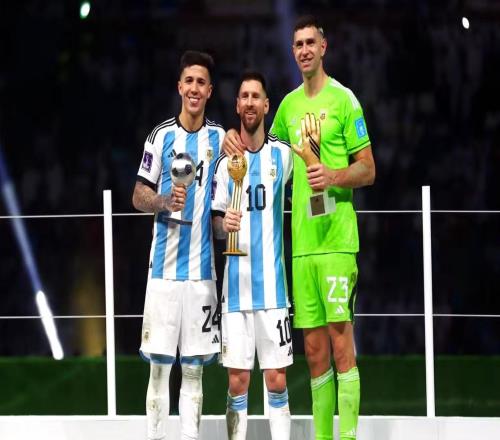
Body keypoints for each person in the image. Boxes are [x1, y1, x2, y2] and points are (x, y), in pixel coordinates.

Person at [224, 16, 376, 440]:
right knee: (313, 353)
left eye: (311, 42)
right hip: (302, 248)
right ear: (293, 52)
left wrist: (333, 175)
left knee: (342, 345)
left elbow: (368, 169)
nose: (305, 50)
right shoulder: (288, 107)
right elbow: (260, 149)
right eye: (298, 44)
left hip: (337, 243)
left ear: (323, 47)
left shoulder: (345, 100)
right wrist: (230, 137)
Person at [132, 50, 225, 440]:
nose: (194, 89)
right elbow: (138, 195)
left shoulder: (221, 139)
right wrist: (163, 201)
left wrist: (228, 227)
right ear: (179, 87)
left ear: (210, 91)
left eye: (201, 82)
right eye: (189, 81)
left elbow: (228, 193)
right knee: (158, 369)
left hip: (203, 275)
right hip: (164, 273)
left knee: (193, 370)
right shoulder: (160, 136)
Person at [211, 71, 293, 440]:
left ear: (266, 105)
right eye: (243, 96)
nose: (249, 103)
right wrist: (223, 224)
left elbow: (309, 185)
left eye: (255, 96)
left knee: (276, 379)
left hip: (274, 290)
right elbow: (214, 225)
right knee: (237, 380)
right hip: (236, 292)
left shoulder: (283, 156)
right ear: (237, 105)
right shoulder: (224, 163)